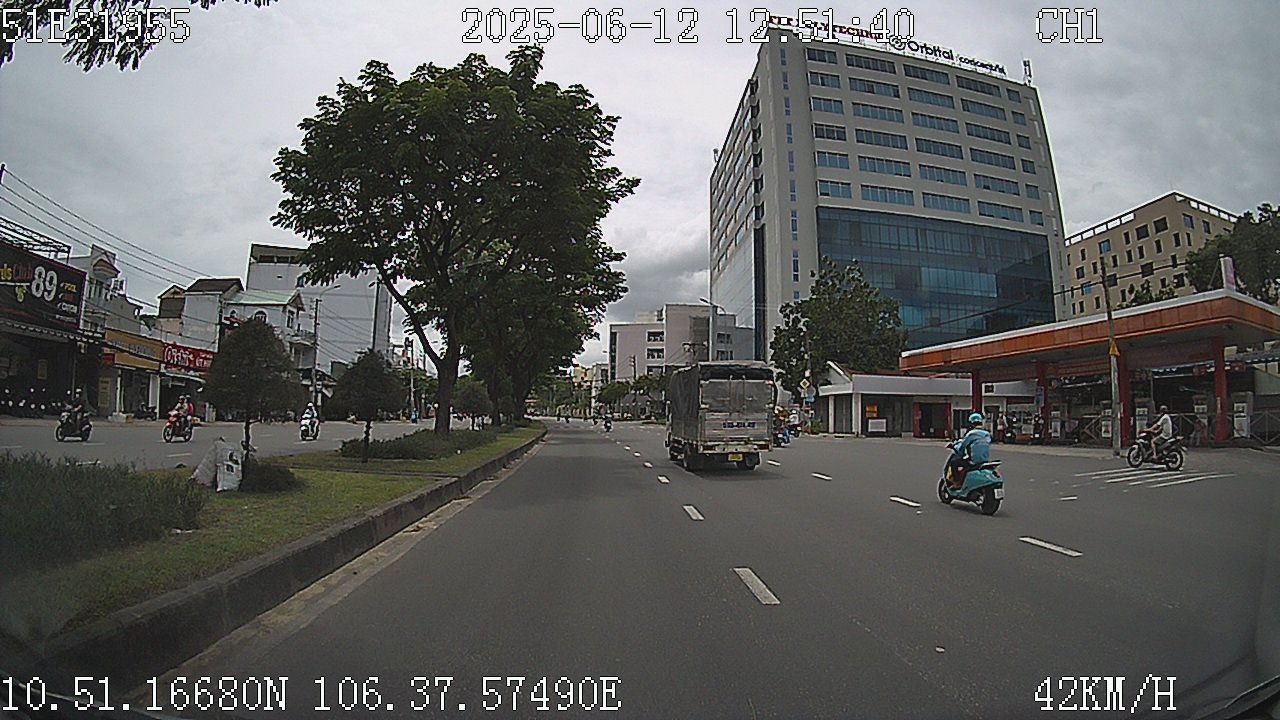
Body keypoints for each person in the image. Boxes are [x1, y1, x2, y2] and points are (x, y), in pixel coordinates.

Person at [948, 412, 992, 488]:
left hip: (973, 461)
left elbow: (962, 446)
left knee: (954, 463)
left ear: (971, 424)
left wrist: (955, 447)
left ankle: (957, 482)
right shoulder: (987, 434)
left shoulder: (971, 433)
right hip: (985, 461)